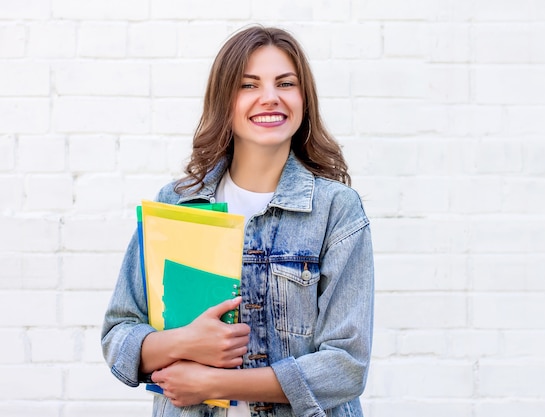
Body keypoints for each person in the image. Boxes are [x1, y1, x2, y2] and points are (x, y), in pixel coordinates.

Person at [101, 25, 375, 417]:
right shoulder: (178, 203)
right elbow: (119, 336)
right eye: (249, 85)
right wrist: (185, 342)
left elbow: (346, 366)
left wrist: (216, 383)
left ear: (304, 99)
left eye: (285, 84)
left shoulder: (336, 210)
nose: (270, 98)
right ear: (224, 101)